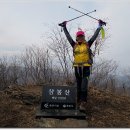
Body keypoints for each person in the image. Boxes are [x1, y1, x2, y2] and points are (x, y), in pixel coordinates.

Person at [59, 20, 105, 111]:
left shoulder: (88, 44)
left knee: (84, 85)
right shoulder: (74, 45)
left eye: (81, 36)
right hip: (77, 68)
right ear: (76, 37)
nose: (80, 37)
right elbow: (68, 37)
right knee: (78, 85)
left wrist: (99, 27)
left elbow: (94, 36)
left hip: (86, 68)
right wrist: (64, 27)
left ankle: (83, 103)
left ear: (83, 37)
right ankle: (77, 101)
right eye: (78, 36)